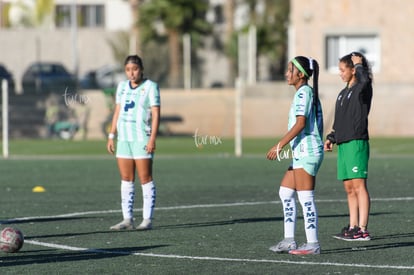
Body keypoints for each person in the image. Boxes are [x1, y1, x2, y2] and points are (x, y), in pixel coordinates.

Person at [267, 56, 324, 255]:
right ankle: (289, 240)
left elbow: (300, 124)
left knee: (305, 198)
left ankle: (312, 244)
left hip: (308, 152)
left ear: (300, 74)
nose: (286, 73)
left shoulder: (303, 93)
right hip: (301, 153)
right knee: (285, 192)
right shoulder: (304, 92)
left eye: (290, 70)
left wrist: (279, 145)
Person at [107, 54, 160, 231]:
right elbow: (117, 112)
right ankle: (127, 219)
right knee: (126, 179)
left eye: (135, 69)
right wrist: (111, 135)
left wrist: (152, 138)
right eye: (128, 70)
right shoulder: (121, 87)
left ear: (141, 70)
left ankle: (147, 220)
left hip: (141, 138)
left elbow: (156, 115)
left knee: (145, 178)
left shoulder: (151, 87)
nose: (132, 73)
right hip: (124, 139)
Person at [324, 52, 373, 241]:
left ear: (354, 70)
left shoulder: (362, 88)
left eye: (343, 69)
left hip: (356, 142)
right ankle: (353, 226)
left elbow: (365, 82)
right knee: (349, 188)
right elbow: (341, 120)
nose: (340, 73)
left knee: (359, 186)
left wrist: (360, 66)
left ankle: (363, 229)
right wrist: (331, 137)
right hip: (344, 144)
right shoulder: (343, 93)